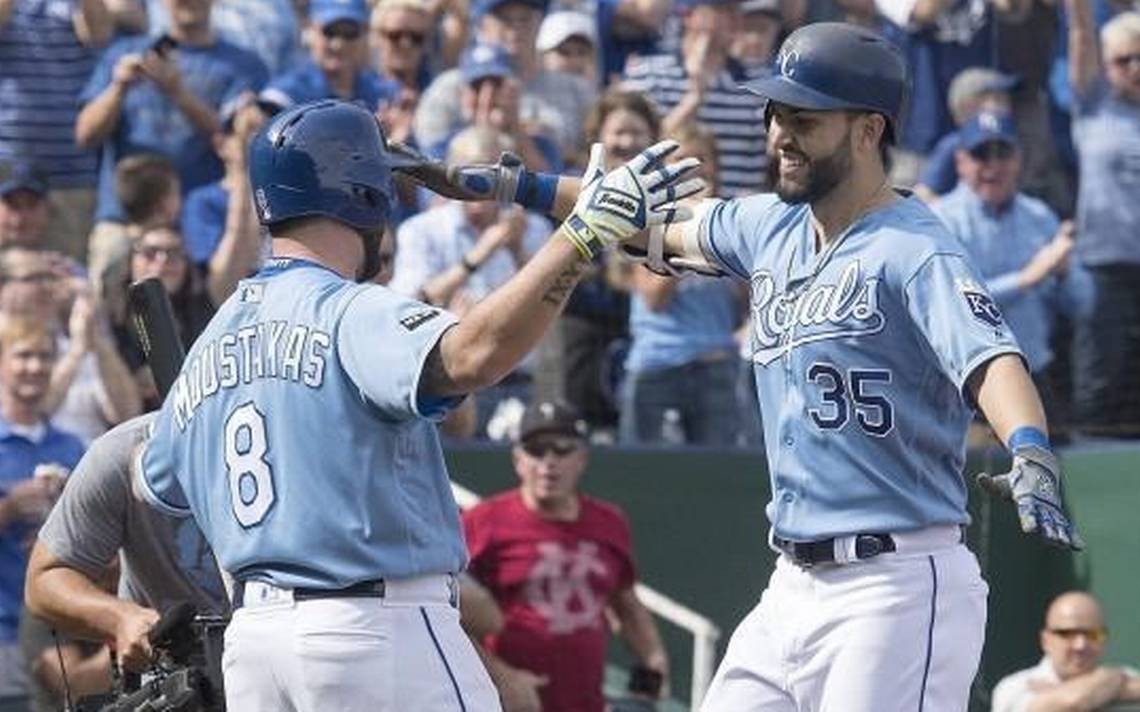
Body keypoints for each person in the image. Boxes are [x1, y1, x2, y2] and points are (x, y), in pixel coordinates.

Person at [432, 21, 1083, 712]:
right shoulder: (771, 224)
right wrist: (519, 186)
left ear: (869, 130)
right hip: (791, 583)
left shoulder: (915, 248)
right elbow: (641, 219)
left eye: (805, 119)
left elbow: (990, 357)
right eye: (775, 114)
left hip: (895, 581)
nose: (780, 135)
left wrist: (1029, 446)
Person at [134, 98, 701, 711]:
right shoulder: (348, 310)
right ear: (365, 195)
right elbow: (474, 355)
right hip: (371, 628)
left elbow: (156, 483)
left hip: (255, 647)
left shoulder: (211, 340)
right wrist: (582, 237)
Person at [463, 400, 668, 712]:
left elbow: (626, 604)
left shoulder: (609, 522)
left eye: (562, 449)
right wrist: (502, 678)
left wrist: (653, 659)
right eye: (536, 450)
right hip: (510, 704)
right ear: (518, 459)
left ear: (582, 458)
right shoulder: (482, 522)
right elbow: (448, 615)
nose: (548, 462)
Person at [931, 110, 1093, 422]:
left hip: (1035, 375)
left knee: (1052, 456)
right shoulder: (940, 220)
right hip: (964, 384)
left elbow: (1084, 303)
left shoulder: (1039, 216)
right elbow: (952, 306)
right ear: (961, 162)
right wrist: (1026, 279)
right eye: (981, 155)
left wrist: (1063, 273)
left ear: (1018, 159)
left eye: (1002, 154)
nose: (993, 166)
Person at [0, 315, 85, 707]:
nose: (35, 366)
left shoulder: (71, 447)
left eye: (45, 356)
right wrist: (10, 507)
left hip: (61, 632)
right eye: (23, 355)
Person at [1065, 4, 1140, 438]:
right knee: (1100, 380)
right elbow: (1080, 32)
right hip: (1103, 268)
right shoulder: (1094, 104)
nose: (1135, 67)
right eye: (1123, 59)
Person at [991, 591, 1140, 712]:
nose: (1081, 645)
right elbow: (1071, 703)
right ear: (1045, 641)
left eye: (1093, 634)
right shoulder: (1014, 687)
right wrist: (1113, 682)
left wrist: (1060, 691)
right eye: (1067, 634)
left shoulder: (1128, 675)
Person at [257, 0, 399, 114]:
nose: (338, 45)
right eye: (329, 32)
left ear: (365, 34)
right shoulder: (286, 95)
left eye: (350, 33)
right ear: (310, 30)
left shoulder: (385, 95)